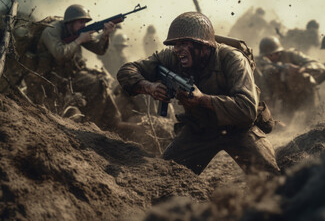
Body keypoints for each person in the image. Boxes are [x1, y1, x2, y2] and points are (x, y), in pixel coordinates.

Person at [117, 12, 280, 175]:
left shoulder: (233, 59)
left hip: (240, 128)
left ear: (202, 44)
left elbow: (247, 110)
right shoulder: (172, 57)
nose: (177, 49)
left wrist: (203, 100)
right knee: (166, 176)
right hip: (200, 128)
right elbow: (127, 70)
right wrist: (149, 87)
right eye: (175, 44)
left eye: (183, 43)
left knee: (270, 179)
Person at [26, 4, 139, 136]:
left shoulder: (77, 32)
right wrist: (79, 40)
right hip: (48, 78)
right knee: (95, 84)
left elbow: (99, 50)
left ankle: (111, 122)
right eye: (81, 22)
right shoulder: (51, 31)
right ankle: (88, 126)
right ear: (70, 22)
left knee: (101, 82)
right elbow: (60, 54)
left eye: (86, 22)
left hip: (70, 74)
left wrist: (105, 35)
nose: (84, 25)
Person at [257, 36, 325, 120]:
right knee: (282, 125)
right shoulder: (269, 67)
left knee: (312, 122)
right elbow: (265, 87)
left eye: (270, 55)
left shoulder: (292, 55)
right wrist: (268, 105)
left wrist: (301, 69)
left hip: (307, 95)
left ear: (278, 52)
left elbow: (319, 66)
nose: (268, 58)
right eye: (266, 56)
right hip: (289, 100)